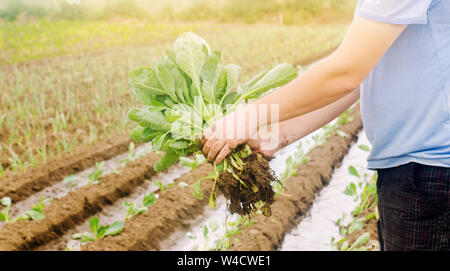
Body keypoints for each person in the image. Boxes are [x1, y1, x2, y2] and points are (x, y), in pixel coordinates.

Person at [202, 0, 449, 251]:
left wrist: (249, 116)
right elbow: (362, 76)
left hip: (431, 174)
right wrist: (279, 135)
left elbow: (345, 73)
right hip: (416, 172)